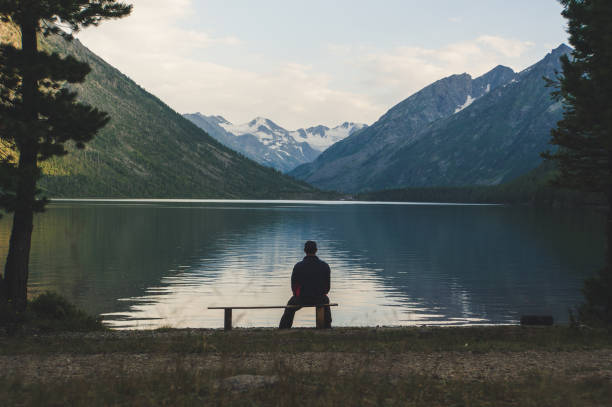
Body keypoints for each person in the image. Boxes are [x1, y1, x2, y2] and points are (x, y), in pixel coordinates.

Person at [279, 240, 332, 329]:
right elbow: (327, 287)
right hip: (319, 298)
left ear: (304, 250)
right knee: (326, 301)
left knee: (289, 307)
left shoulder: (298, 266)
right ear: (316, 250)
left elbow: (294, 286)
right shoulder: (324, 266)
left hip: (301, 298)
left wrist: (297, 296)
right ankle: (326, 326)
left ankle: (284, 328)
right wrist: (322, 294)